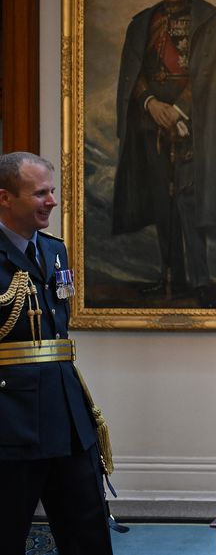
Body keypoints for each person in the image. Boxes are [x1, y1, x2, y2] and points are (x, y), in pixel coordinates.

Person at [112, 0, 216, 307]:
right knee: (161, 201)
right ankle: (169, 278)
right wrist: (153, 105)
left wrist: (179, 110)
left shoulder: (210, 20)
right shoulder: (143, 23)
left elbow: (208, 73)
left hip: (196, 121)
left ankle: (200, 281)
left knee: (191, 200)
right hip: (151, 121)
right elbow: (133, 73)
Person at [0, 152, 113, 555]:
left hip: (67, 413)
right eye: (40, 193)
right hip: (11, 420)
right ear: (5, 198)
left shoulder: (53, 250)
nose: (51, 201)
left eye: (52, 191)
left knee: (88, 530)